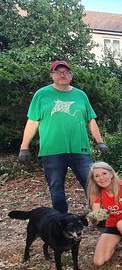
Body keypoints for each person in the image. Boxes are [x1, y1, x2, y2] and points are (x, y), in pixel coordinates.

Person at [18, 60, 108, 214]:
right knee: (56, 186)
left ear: (71, 76)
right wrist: (24, 147)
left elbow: (91, 120)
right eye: (58, 72)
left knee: (92, 184)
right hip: (52, 150)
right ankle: (61, 219)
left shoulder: (80, 95)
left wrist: (100, 142)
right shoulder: (41, 95)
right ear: (52, 75)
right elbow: (33, 121)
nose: (62, 75)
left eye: (66, 72)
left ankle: (98, 216)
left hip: (80, 149)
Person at [87, 162, 122, 266]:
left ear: (111, 174)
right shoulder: (96, 192)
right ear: (94, 179)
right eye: (97, 176)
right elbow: (96, 219)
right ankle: (121, 239)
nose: (101, 178)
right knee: (99, 261)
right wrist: (94, 217)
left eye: (104, 173)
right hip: (113, 224)